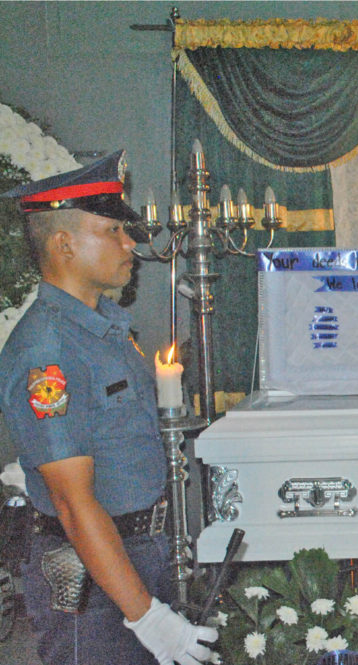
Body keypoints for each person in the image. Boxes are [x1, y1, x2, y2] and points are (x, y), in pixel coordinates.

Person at [0, 152, 218, 664]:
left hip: (142, 553)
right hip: (91, 577)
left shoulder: (104, 327)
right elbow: (73, 503)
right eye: (114, 232)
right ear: (64, 243)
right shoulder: (47, 352)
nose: (131, 247)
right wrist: (146, 616)